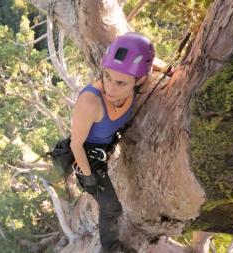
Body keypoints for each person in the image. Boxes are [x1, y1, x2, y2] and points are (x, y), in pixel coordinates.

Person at [70, 32, 154, 253]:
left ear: (140, 80)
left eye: (120, 82)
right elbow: (75, 145)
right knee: (111, 208)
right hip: (86, 157)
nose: (111, 87)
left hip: (106, 149)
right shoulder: (90, 102)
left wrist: (167, 70)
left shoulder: (139, 81)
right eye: (107, 76)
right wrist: (88, 177)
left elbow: (151, 67)